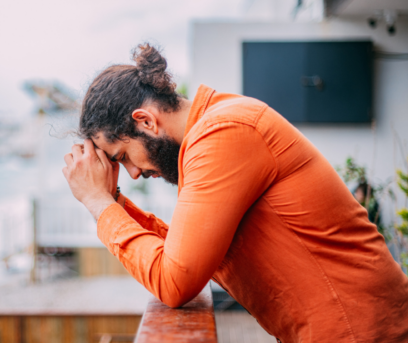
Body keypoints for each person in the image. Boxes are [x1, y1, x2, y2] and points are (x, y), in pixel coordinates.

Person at [62, 43, 408, 342]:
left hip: (361, 332)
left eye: (124, 157)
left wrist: (98, 202)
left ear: (146, 121)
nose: (134, 172)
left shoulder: (221, 132)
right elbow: (184, 256)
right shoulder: (215, 129)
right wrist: (115, 202)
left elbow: (174, 281)